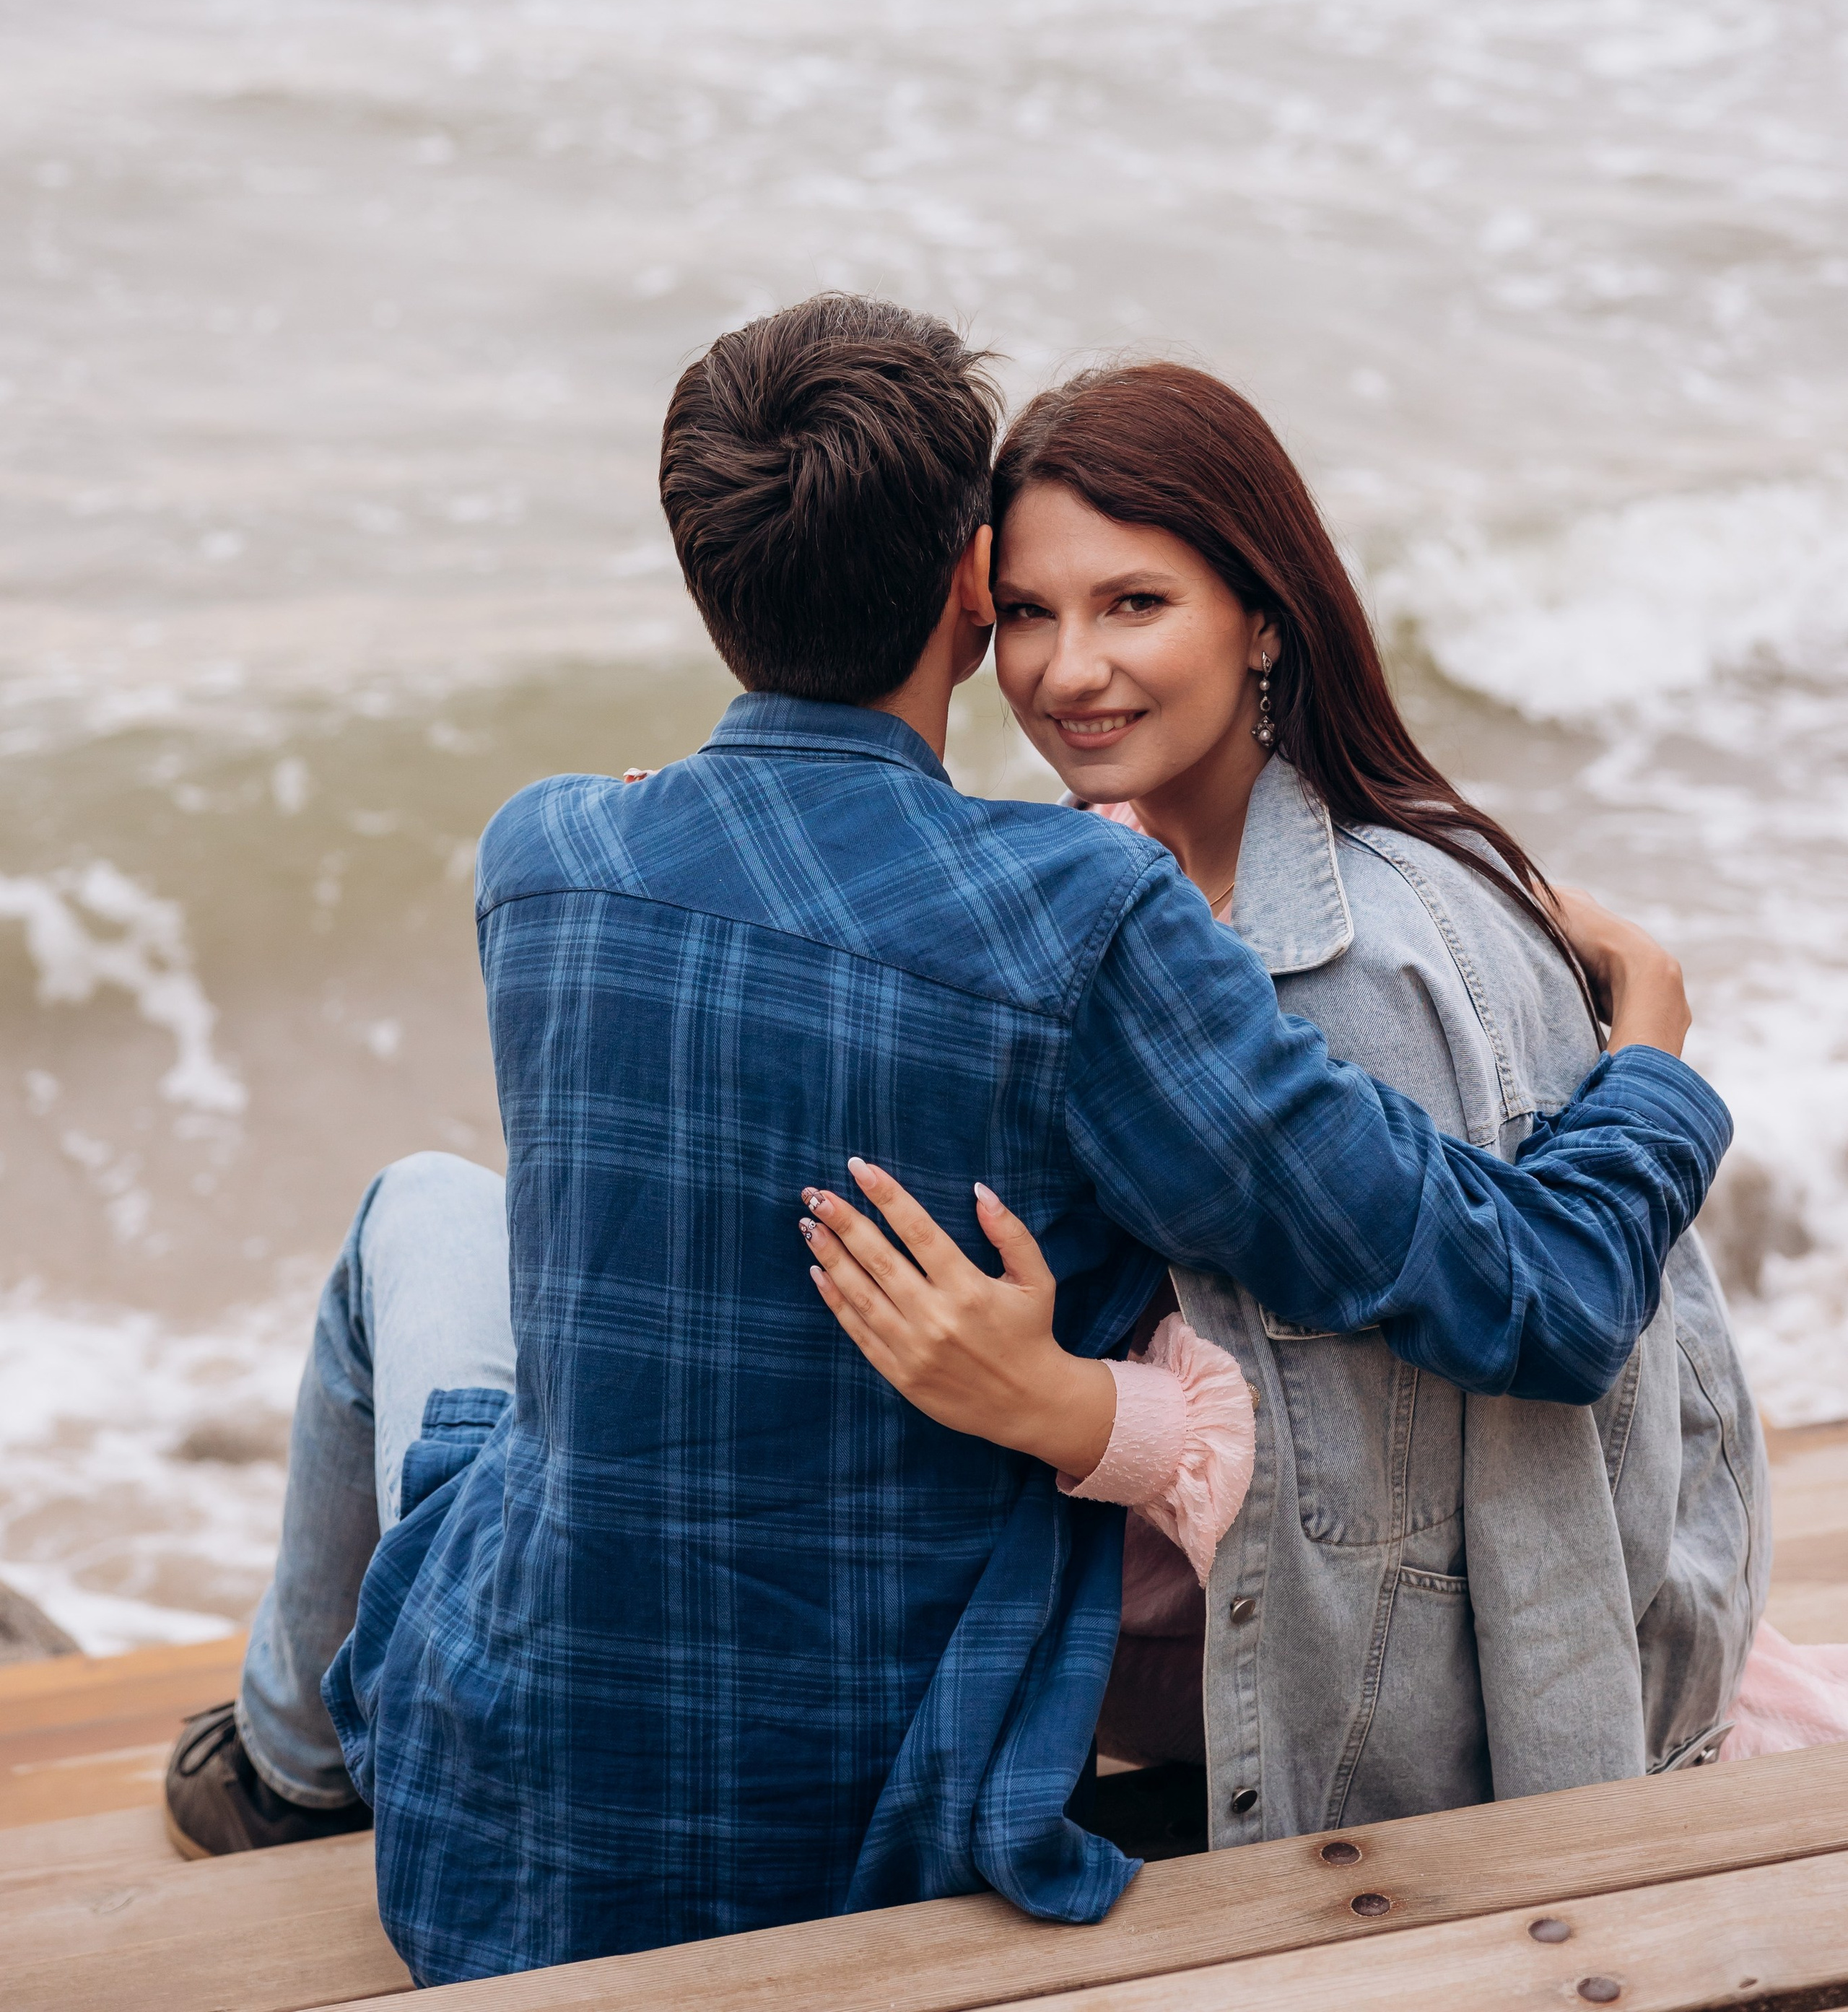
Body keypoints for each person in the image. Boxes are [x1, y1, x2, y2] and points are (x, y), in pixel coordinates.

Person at [165, 298, 1725, 1989]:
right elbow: (1545, 1300)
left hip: (499, 1790)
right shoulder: (1083, 917)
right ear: (973, 593)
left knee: (419, 1211)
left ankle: (286, 1769)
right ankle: (289, 1757)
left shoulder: (543, 854)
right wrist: (1643, 1050)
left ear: (704, 581)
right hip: (882, 1831)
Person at [803, 360, 1810, 1847]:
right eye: (1025, 614)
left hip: (1379, 1688)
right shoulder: (1129, 861)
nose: (1064, 670)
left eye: (1131, 605)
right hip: (1204, 1586)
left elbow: (1454, 1473)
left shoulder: (1360, 966)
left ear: (1261, 617)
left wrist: (1075, 1416)